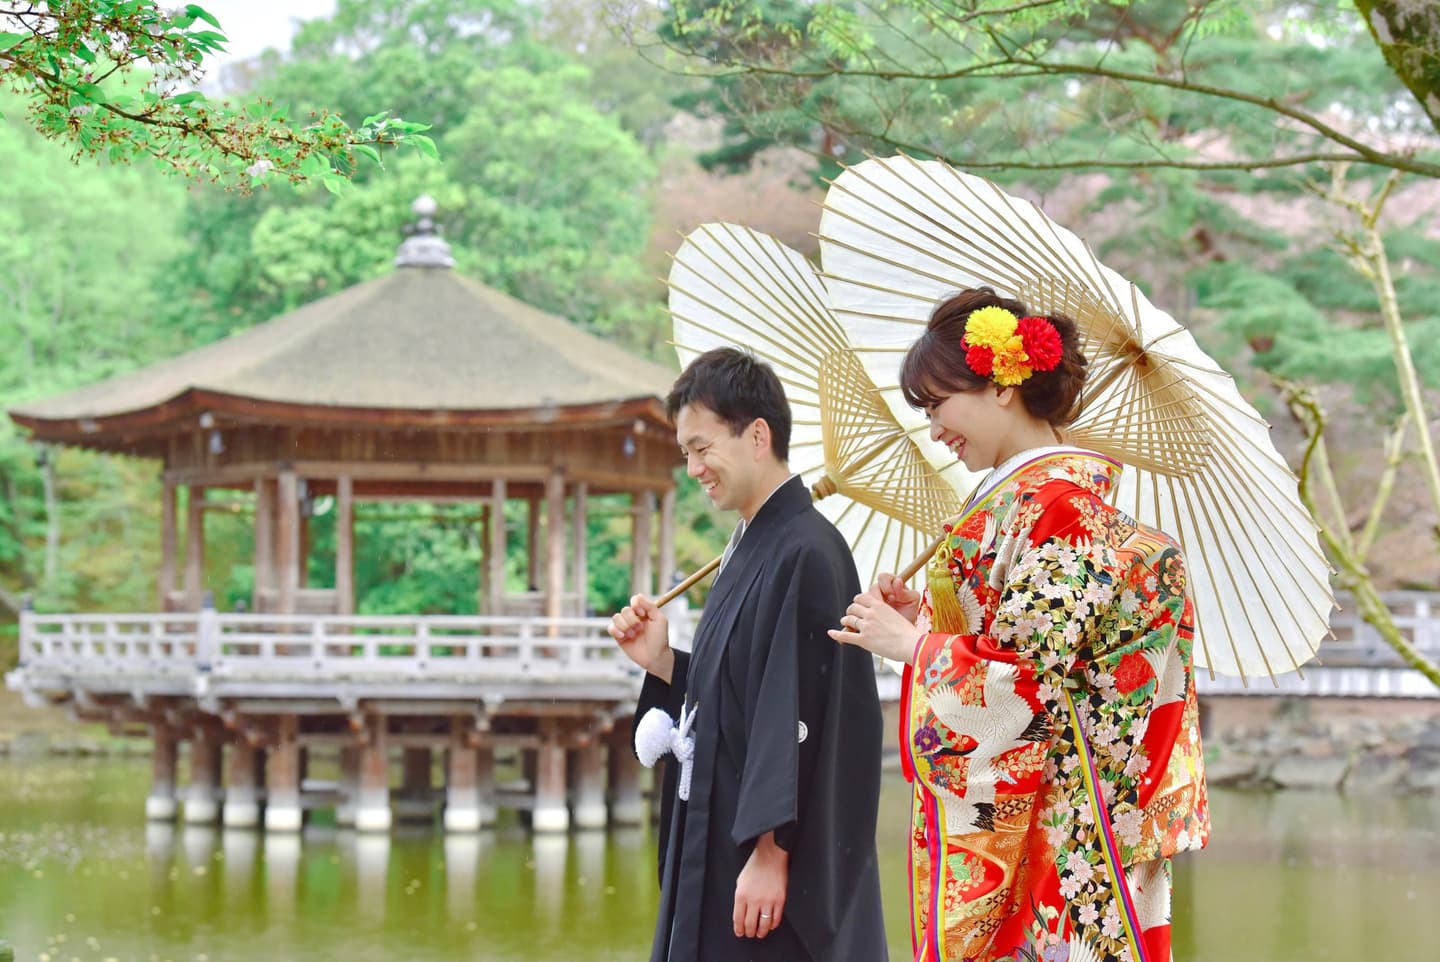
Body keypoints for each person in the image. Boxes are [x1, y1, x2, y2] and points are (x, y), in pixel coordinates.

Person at [829, 289, 1209, 962]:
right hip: (1059, 807)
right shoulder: (1032, 505)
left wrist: (914, 645)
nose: (934, 426)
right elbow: (1023, 648)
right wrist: (930, 621)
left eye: (938, 403)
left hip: (1068, 826)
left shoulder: (1059, 509)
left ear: (1002, 385)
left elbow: (1026, 683)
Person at [609, 347, 889, 962]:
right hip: (721, 833)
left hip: (763, 859)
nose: (692, 467)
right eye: (686, 451)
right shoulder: (749, 542)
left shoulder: (811, 552)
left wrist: (772, 850)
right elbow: (736, 693)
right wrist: (662, 662)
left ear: (757, 435)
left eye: (702, 448)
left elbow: (810, 716)